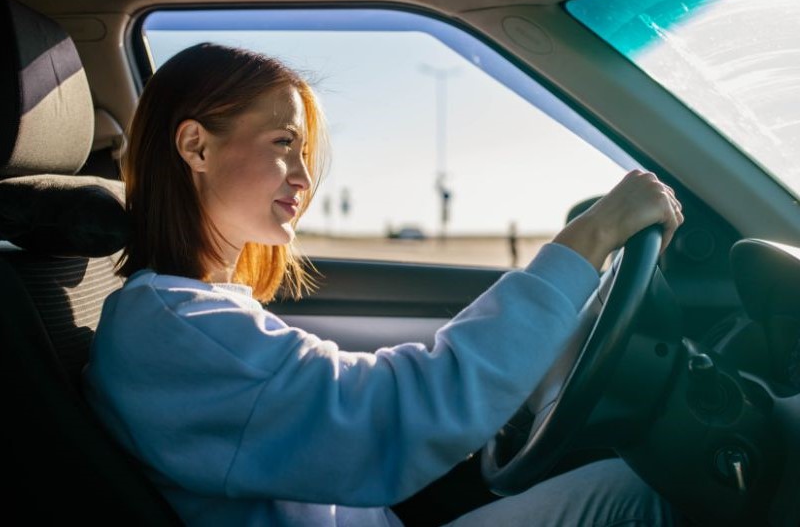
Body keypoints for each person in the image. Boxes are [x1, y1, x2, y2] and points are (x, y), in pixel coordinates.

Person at [82, 43, 684, 527]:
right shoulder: (175, 326)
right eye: (284, 143)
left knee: (632, 487)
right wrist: (591, 238)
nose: (303, 177)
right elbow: (390, 413)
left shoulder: (191, 313)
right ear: (195, 146)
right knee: (647, 498)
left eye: (305, 152)